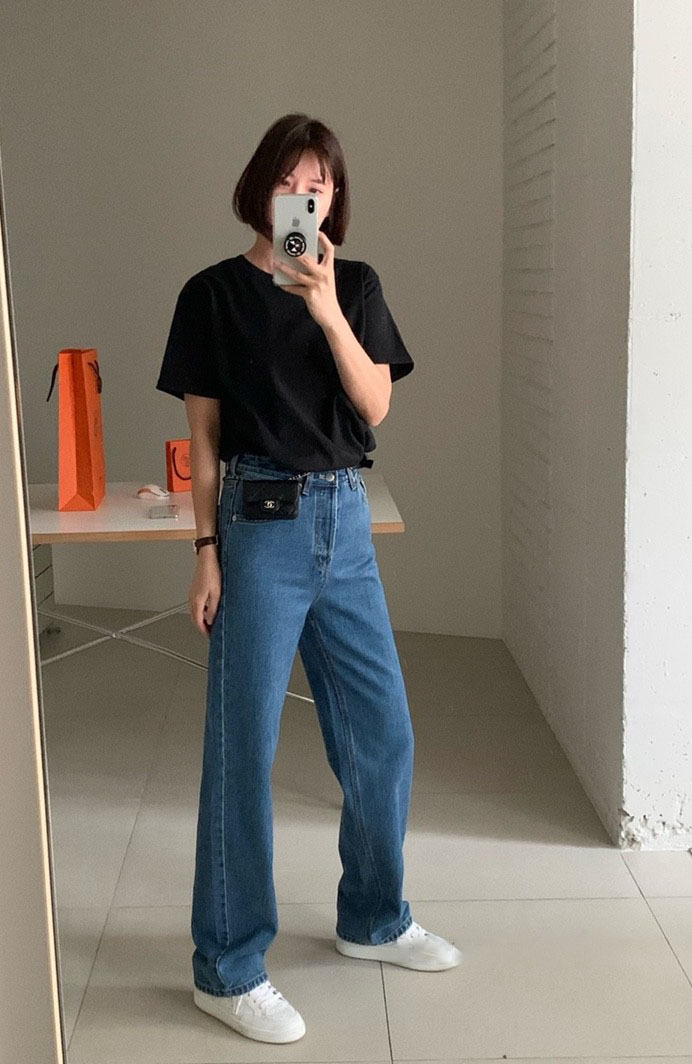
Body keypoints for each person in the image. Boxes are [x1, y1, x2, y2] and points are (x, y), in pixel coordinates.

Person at [155, 113, 462, 1045]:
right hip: (258, 524)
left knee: (382, 731)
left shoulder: (356, 286)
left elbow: (375, 405)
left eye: (319, 184)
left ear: (335, 198)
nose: (305, 196)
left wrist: (325, 307)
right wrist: (204, 551)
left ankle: (374, 916)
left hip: (346, 520)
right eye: (290, 181)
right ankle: (226, 967)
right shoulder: (211, 294)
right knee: (242, 749)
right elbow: (204, 439)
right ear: (261, 188)